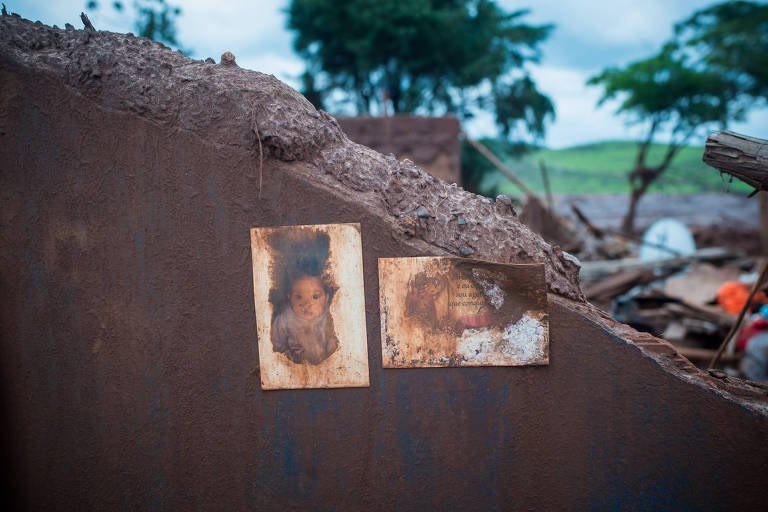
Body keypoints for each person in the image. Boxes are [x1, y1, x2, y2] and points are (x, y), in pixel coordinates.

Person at [271, 274, 339, 365]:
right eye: (299, 297)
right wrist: (286, 354)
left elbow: (338, 342)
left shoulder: (331, 317)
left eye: (315, 297)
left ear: (326, 298)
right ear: (289, 297)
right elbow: (275, 344)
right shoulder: (284, 320)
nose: (307, 304)